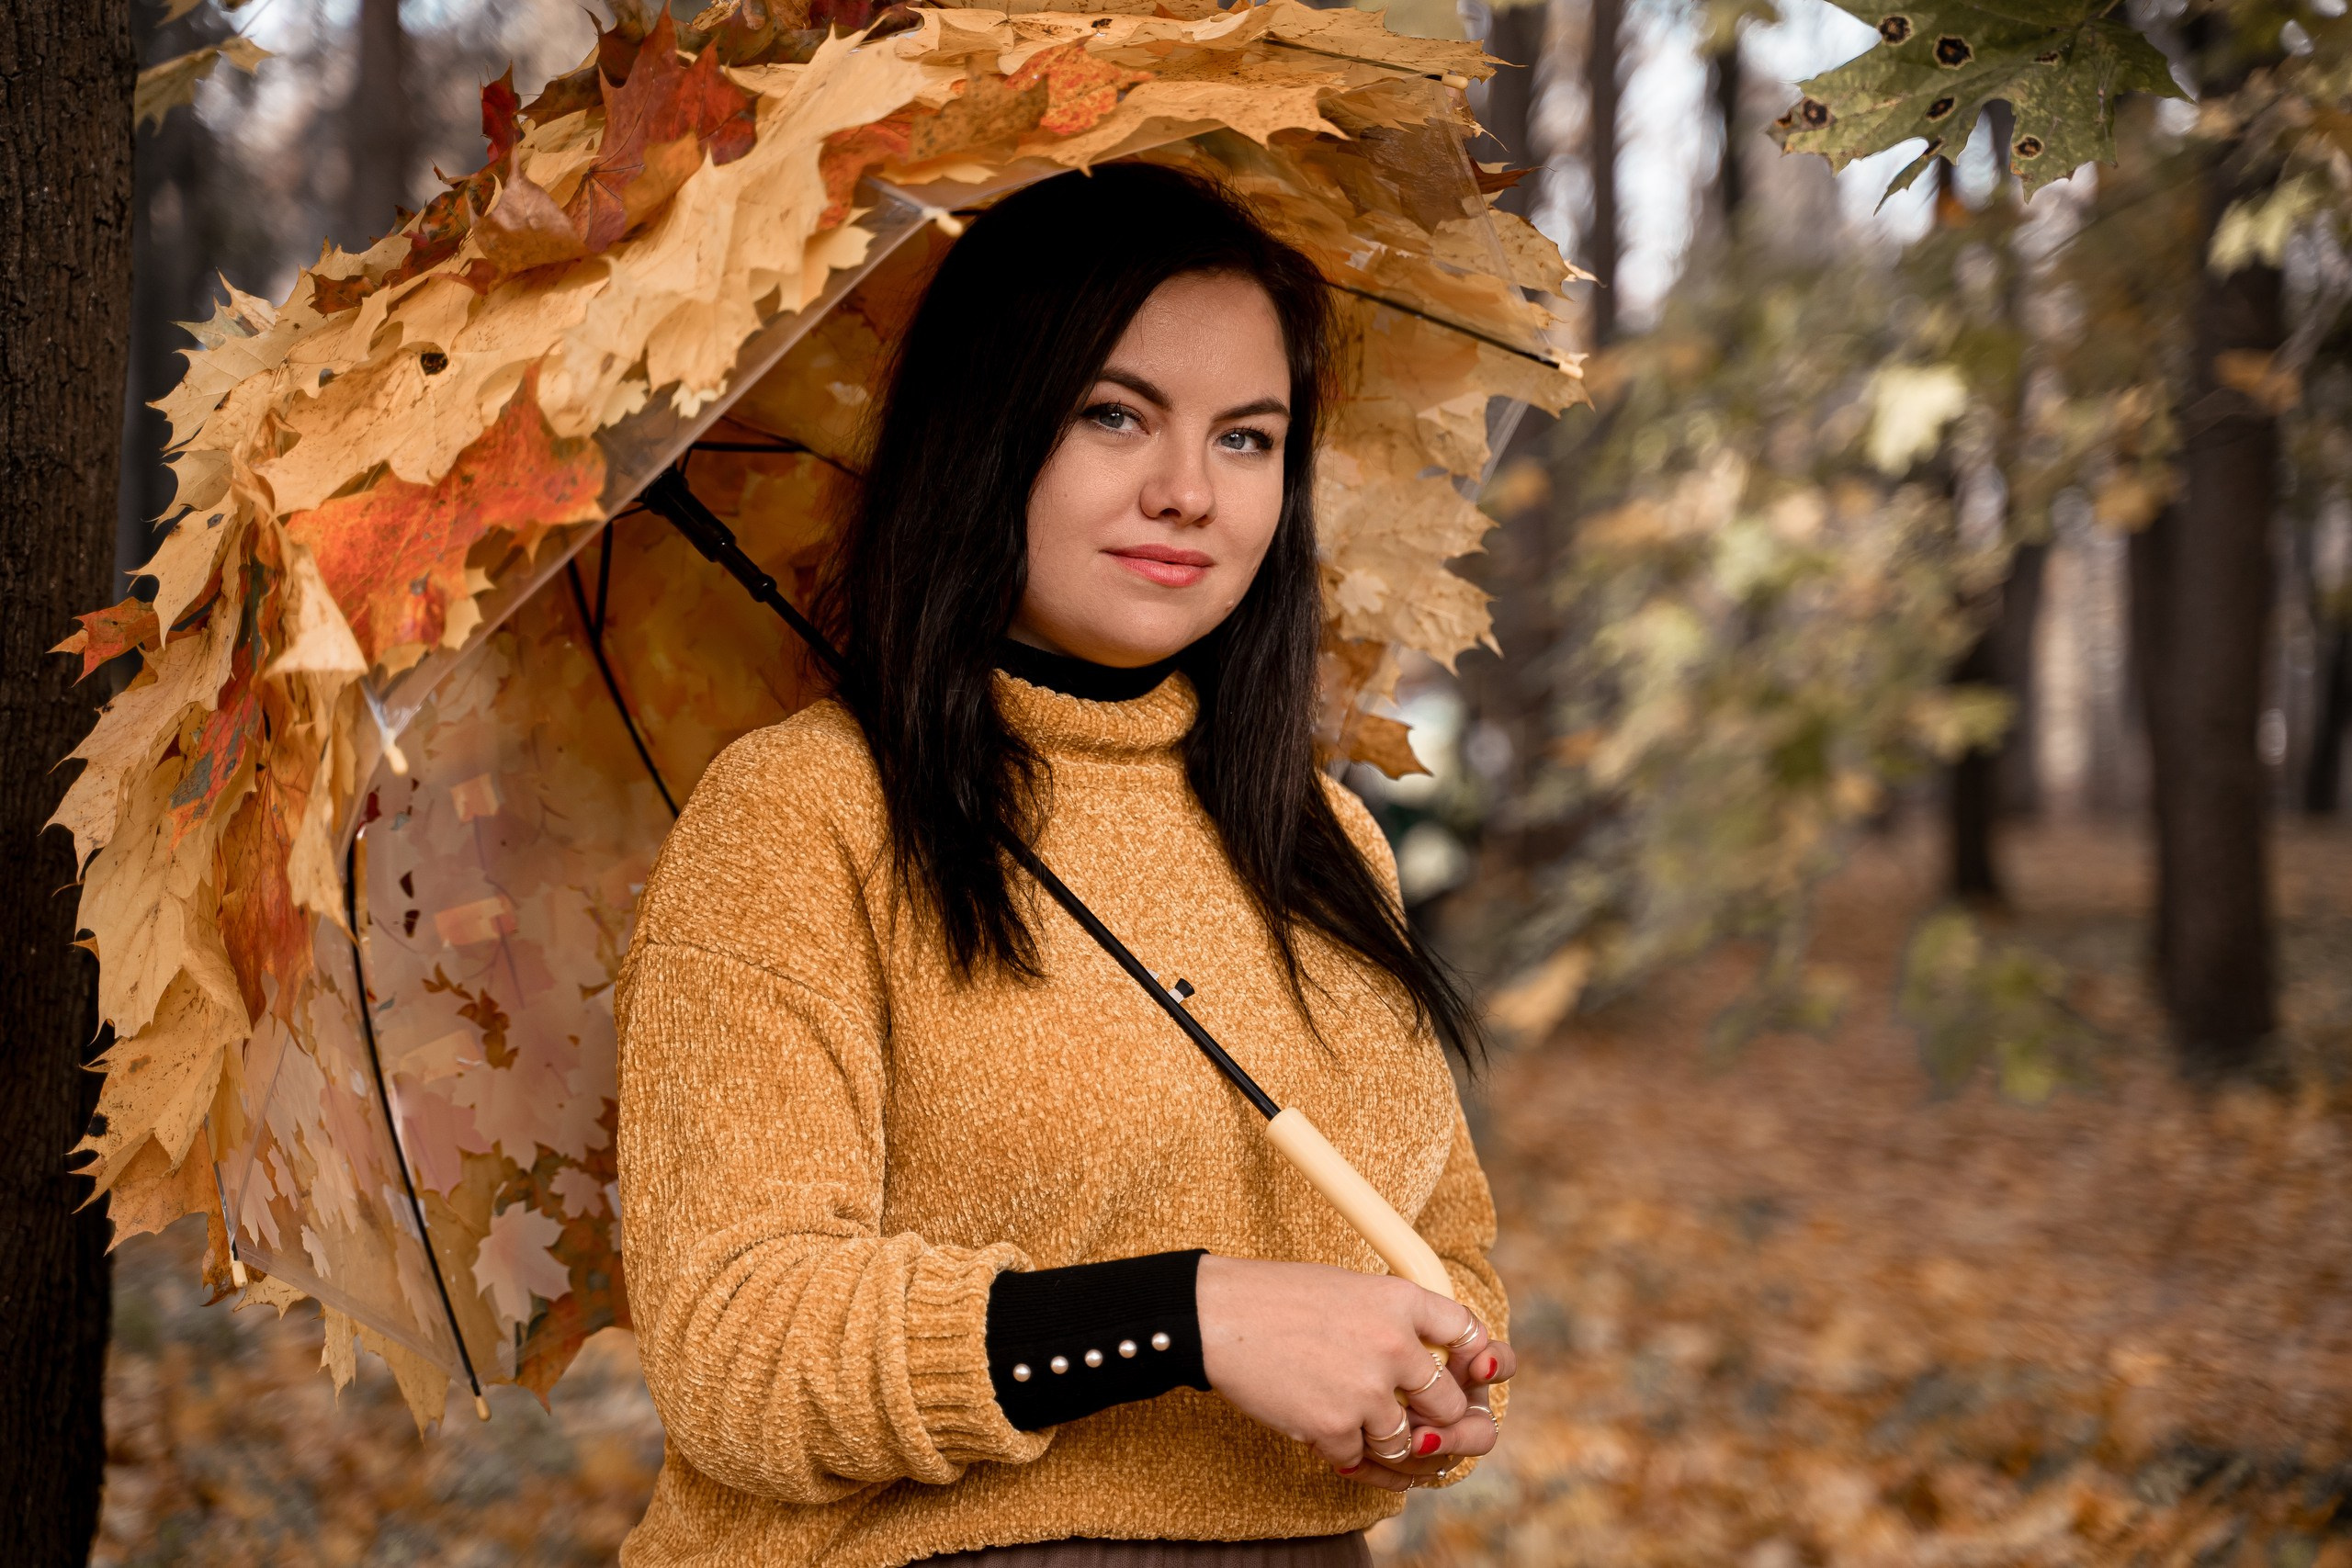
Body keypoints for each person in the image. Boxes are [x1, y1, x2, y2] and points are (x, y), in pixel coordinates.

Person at [614, 162, 1513, 1568]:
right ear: (990, 427)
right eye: (1115, 415)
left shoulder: (1323, 842)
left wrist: (1434, 1377)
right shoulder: (805, 819)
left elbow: (1447, 1255)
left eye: (1247, 438)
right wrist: (1187, 1319)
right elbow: (735, 1347)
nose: (1187, 493)